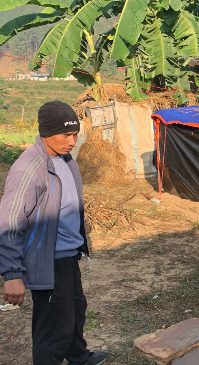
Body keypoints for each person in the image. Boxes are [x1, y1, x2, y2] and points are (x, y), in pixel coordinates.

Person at [0, 101, 108, 365]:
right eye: (66, 135)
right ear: (46, 132)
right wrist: (12, 274)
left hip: (68, 255)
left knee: (75, 310)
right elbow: (8, 220)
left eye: (75, 134)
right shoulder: (29, 168)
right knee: (52, 328)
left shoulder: (65, 159)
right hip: (48, 260)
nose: (72, 141)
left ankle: (78, 357)